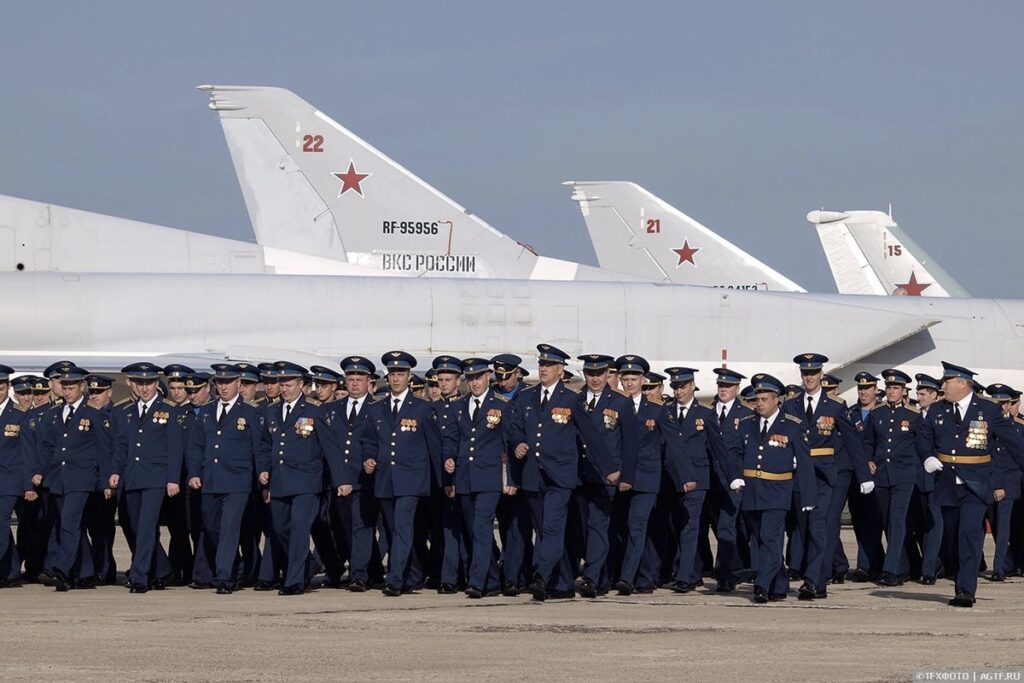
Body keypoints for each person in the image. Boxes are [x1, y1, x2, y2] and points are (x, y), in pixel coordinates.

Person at [917, 361, 1024, 607]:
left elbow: (1014, 443)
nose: (943, 386)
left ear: (963, 384)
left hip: (976, 482)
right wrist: (928, 456)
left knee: (970, 534)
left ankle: (965, 590)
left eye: (947, 382)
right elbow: (923, 437)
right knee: (953, 536)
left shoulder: (988, 410)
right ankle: (959, 575)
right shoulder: (937, 410)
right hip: (945, 482)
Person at [511, 344, 611, 601]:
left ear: (560, 370)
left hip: (561, 476)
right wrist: (518, 443)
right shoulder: (525, 398)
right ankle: (563, 582)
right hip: (533, 474)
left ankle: (541, 576)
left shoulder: (571, 399)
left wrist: (611, 469)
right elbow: (514, 429)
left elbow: (591, 436)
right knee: (544, 531)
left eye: (549, 366)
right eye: (541, 364)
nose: (543, 369)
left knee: (552, 527)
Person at [783, 353, 873, 601]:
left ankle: (813, 581)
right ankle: (817, 580)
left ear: (821, 375)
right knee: (803, 529)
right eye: (805, 374)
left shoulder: (835, 406)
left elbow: (853, 442)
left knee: (820, 527)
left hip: (824, 475)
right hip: (799, 475)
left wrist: (863, 474)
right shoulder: (790, 406)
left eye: (813, 373)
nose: (809, 377)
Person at [361, 351, 444, 596]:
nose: (396, 379)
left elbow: (433, 446)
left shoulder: (422, 408)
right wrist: (369, 457)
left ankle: (395, 578)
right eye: (392, 374)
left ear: (409, 377)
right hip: (385, 479)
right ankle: (413, 573)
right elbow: (369, 440)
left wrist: (442, 482)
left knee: (403, 527)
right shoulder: (377, 409)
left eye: (400, 374)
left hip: (411, 479)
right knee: (395, 528)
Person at [731, 374, 816, 603]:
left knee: (770, 537)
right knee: (759, 539)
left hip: (778, 490)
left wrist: (808, 496)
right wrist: (735, 477)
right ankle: (779, 585)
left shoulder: (792, 425)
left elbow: (805, 463)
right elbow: (735, 453)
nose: (759, 404)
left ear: (777, 400)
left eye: (764, 399)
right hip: (752, 490)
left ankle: (762, 585)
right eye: (757, 399)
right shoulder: (747, 423)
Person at [186, 363, 265, 594]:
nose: (223, 387)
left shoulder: (250, 412)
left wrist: (262, 479)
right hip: (211, 479)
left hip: (237, 481)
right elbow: (196, 446)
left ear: (239, 384)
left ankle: (224, 577)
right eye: (219, 383)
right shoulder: (208, 411)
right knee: (211, 528)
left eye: (228, 382)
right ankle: (240, 567)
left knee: (230, 528)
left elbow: (258, 448)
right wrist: (194, 473)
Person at [34, 366, 113, 591]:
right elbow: (48, 446)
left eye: (71, 387)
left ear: (82, 387)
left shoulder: (94, 414)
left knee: (69, 522)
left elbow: (103, 450)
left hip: (82, 478)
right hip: (59, 478)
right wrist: (41, 471)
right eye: (64, 387)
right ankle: (86, 573)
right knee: (70, 526)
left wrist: (106, 481)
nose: (67, 391)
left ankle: (61, 569)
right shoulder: (55, 413)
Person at [445, 357, 519, 598]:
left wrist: (509, 480)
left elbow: (509, 446)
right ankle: (493, 580)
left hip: (489, 478)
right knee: (473, 530)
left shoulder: (502, 406)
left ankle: (476, 582)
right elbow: (451, 439)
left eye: (478, 377)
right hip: (465, 477)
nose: (474, 383)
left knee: (481, 527)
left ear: (488, 377)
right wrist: (449, 459)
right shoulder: (458, 406)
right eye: (470, 378)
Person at [109, 362, 184, 593]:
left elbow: (175, 448)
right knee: (132, 524)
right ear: (132, 383)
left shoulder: (169, 409)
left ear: (155, 383)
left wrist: (173, 479)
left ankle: (139, 576)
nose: (144, 388)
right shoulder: (127, 411)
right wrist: (115, 471)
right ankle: (161, 570)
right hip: (132, 477)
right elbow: (121, 445)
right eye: (140, 383)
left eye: (149, 383)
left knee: (146, 527)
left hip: (155, 478)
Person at [658, 367, 732, 593]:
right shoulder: (665, 412)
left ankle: (685, 576)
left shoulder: (705, 414)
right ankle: (686, 571)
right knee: (673, 527)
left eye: (682, 386)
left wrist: (733, 477)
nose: (678, 391)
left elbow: (718, 448)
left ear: (692, 387)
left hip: (697, 479)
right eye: (675, 387)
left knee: (690, 528)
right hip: (670, 478)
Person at [316, 356, 384, 592]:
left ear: (369, 382)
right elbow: (330, 447)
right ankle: (374, 570)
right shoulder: (330, 410)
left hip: (365, 479)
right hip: (339, 479)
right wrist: (339, 479)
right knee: (343, 527)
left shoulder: (378, 408)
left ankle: (359, 574)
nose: (354, 384)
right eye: (351, 379)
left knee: (362, 526)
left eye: (359, 379)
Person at [574, 353, 637, 597]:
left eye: (599, 373)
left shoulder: (620, 403)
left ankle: (591, 577)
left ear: (607, 374)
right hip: (578, 475)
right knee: (581, 528)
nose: (595, 378)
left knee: (598, 526)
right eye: (590, 373)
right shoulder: (576, 400)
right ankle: (599, 577)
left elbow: (631, 443)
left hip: (606, 477)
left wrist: (626, 476)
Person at [260, 361, 325, 595]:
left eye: (289, 384)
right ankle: (307, 564)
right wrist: (264, 470)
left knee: (299, 529)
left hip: (307, 481)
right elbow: (265, 445)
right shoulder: (272, 411)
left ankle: (294, 580)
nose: (284, 389)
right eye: (282, 384)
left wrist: (339, 480)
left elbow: (328, 448)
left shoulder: (314, 410)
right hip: (280, 480)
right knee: (280, 528)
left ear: (301, 384)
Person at [865, 369, 922, 586]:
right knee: (889, 522)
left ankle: (892, 570)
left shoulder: (913, 415)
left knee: (897, 521)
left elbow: (921, 445)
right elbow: (868, 441)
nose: (891, 391)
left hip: (904, 475)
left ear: (904, 391)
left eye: (895, 388)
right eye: (889, 387)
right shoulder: (877, 413)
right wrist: (869, 460)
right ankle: (906, 565)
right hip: (882, 475)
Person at [613, 355, 662, 595]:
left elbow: (671, 446)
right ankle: (646, 575)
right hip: (619, 477)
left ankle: (627, 577)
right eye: (626, 379)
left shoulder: (655, 410)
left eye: (634, 378)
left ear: (643, 380)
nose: (630, 383)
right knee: (627, 529)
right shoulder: (613, 407)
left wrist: (686, 476)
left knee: (637, 525)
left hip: (646, 478)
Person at [0, 365, 34, 587]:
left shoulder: (20, 415)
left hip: (10, 479)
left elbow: (28, 452)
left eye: (0, 387)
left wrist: (28, 484)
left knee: (0, 521)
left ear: (8, 387)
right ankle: (11, 571)